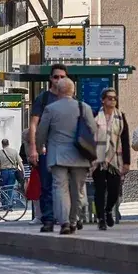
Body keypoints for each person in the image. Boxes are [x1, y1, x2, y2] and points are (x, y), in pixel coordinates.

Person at [36, 77, 95, 235]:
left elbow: (41, 131)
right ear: (73, 90)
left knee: (60, 189)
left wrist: (39, 147)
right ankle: (74, 220)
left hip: (58, 155)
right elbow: (93, 131)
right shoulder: (85, 108)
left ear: (58, 91)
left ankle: (65, 222)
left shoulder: (51, 109)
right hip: (81, 155)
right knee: (77, 190)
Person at [27, 64, 69, 232]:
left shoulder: (70, 99)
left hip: (66, 149)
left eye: (62, 77)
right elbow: (33, 124)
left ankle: (64, 218)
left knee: (64, 185)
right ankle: (49, 219)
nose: (59, 80)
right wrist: (33, 149)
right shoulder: (43, 98)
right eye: (56, 77)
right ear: (50, 79)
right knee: (47, 185)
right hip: (46, 148)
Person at [93, 87, 131, 230]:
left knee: (114, 190)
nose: (113, 100)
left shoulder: (120, 117)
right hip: (98, 158)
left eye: (115, 98)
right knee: (100, 189)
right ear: (103, 100)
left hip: (115, 157)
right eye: (109, 98)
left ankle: (109, 209)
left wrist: (127, 162)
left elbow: (125, 139)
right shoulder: (96, 115)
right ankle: (101, 218)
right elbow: (89, 136)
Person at [0, 139, 23, 204]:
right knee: (10, 188)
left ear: (2, 144)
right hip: (12, 172)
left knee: (3, 188)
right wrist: (23, 171)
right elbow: (20, 162)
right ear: (8, 143)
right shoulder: (14, 152)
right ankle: (9, 204)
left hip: (3, 172)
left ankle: (4, 203)